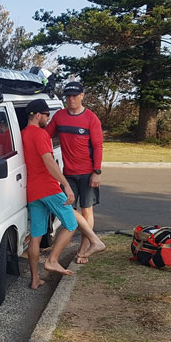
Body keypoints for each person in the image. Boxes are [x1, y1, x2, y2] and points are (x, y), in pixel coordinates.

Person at [22, 99, 105, 290]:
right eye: (46, 116)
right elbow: (49, 162)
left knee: (35, 236)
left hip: (32, 190)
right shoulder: (41, 134)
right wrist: (66, 185)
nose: (48, 120)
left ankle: (35, 279)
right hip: (48, 188)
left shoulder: (23, 134)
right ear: (38, 115)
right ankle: (52, 260)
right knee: (71, 223)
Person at [46, 81, 103, 264]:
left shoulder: (91, 118)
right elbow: (46, 136)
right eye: (68, 96)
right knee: (67, 208)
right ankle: (94, 242)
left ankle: (83, 249)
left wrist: (97, 171)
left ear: (82, 96)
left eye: (75, 95)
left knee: (87, 211)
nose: (71, 99)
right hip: (67, 173)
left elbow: (98, 146)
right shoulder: (60, 117)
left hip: (88, 173)